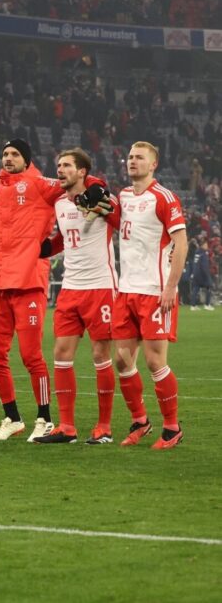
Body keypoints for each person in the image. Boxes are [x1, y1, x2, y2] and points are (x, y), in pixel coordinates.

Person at [0, 139, 103, 441]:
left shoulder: (40, 184)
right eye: (5, 154)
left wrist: (97, 183)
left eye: (15, 154)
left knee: (31, 355)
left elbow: (75, 180)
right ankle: (12, 418)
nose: (8, 158)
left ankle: (44, 418)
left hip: (29, 281)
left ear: (26, 159)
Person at [36, 149, 119, 444]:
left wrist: (97, 187)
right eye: (58, 165)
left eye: (67, 165)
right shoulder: (59, 202)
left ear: (82, 171)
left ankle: (104, 427)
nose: (60, 170)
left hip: (100, 286)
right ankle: (67, 428)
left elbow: (118, 217)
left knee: (100, 354)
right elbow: (63, 237)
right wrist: (44, 248)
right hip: (70, 288)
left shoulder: (102, 198)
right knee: (61, 354)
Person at [112, 142, 188, 449]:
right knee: (121, 359)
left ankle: (172, 428)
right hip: (126, 290)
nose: (132, 161)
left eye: (139, 157)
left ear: (153, 164)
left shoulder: (165, 197)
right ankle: (141, 420)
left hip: (155, 292)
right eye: (130, 156)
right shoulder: (124, 196)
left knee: (156, 362)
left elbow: (181, 244)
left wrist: (170, 286)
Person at [189, 240, 214, 310]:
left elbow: (195, 264)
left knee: (195, 289)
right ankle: (207, 304)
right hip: (202, 275)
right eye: (206, 245)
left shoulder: (197, 252)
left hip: (196, 274)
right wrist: (208, 276)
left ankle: (193, 306)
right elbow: (204, 266)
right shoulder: (203, 254)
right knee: (209, 288)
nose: (207, 246)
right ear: (202, 245)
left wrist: (193, 273)